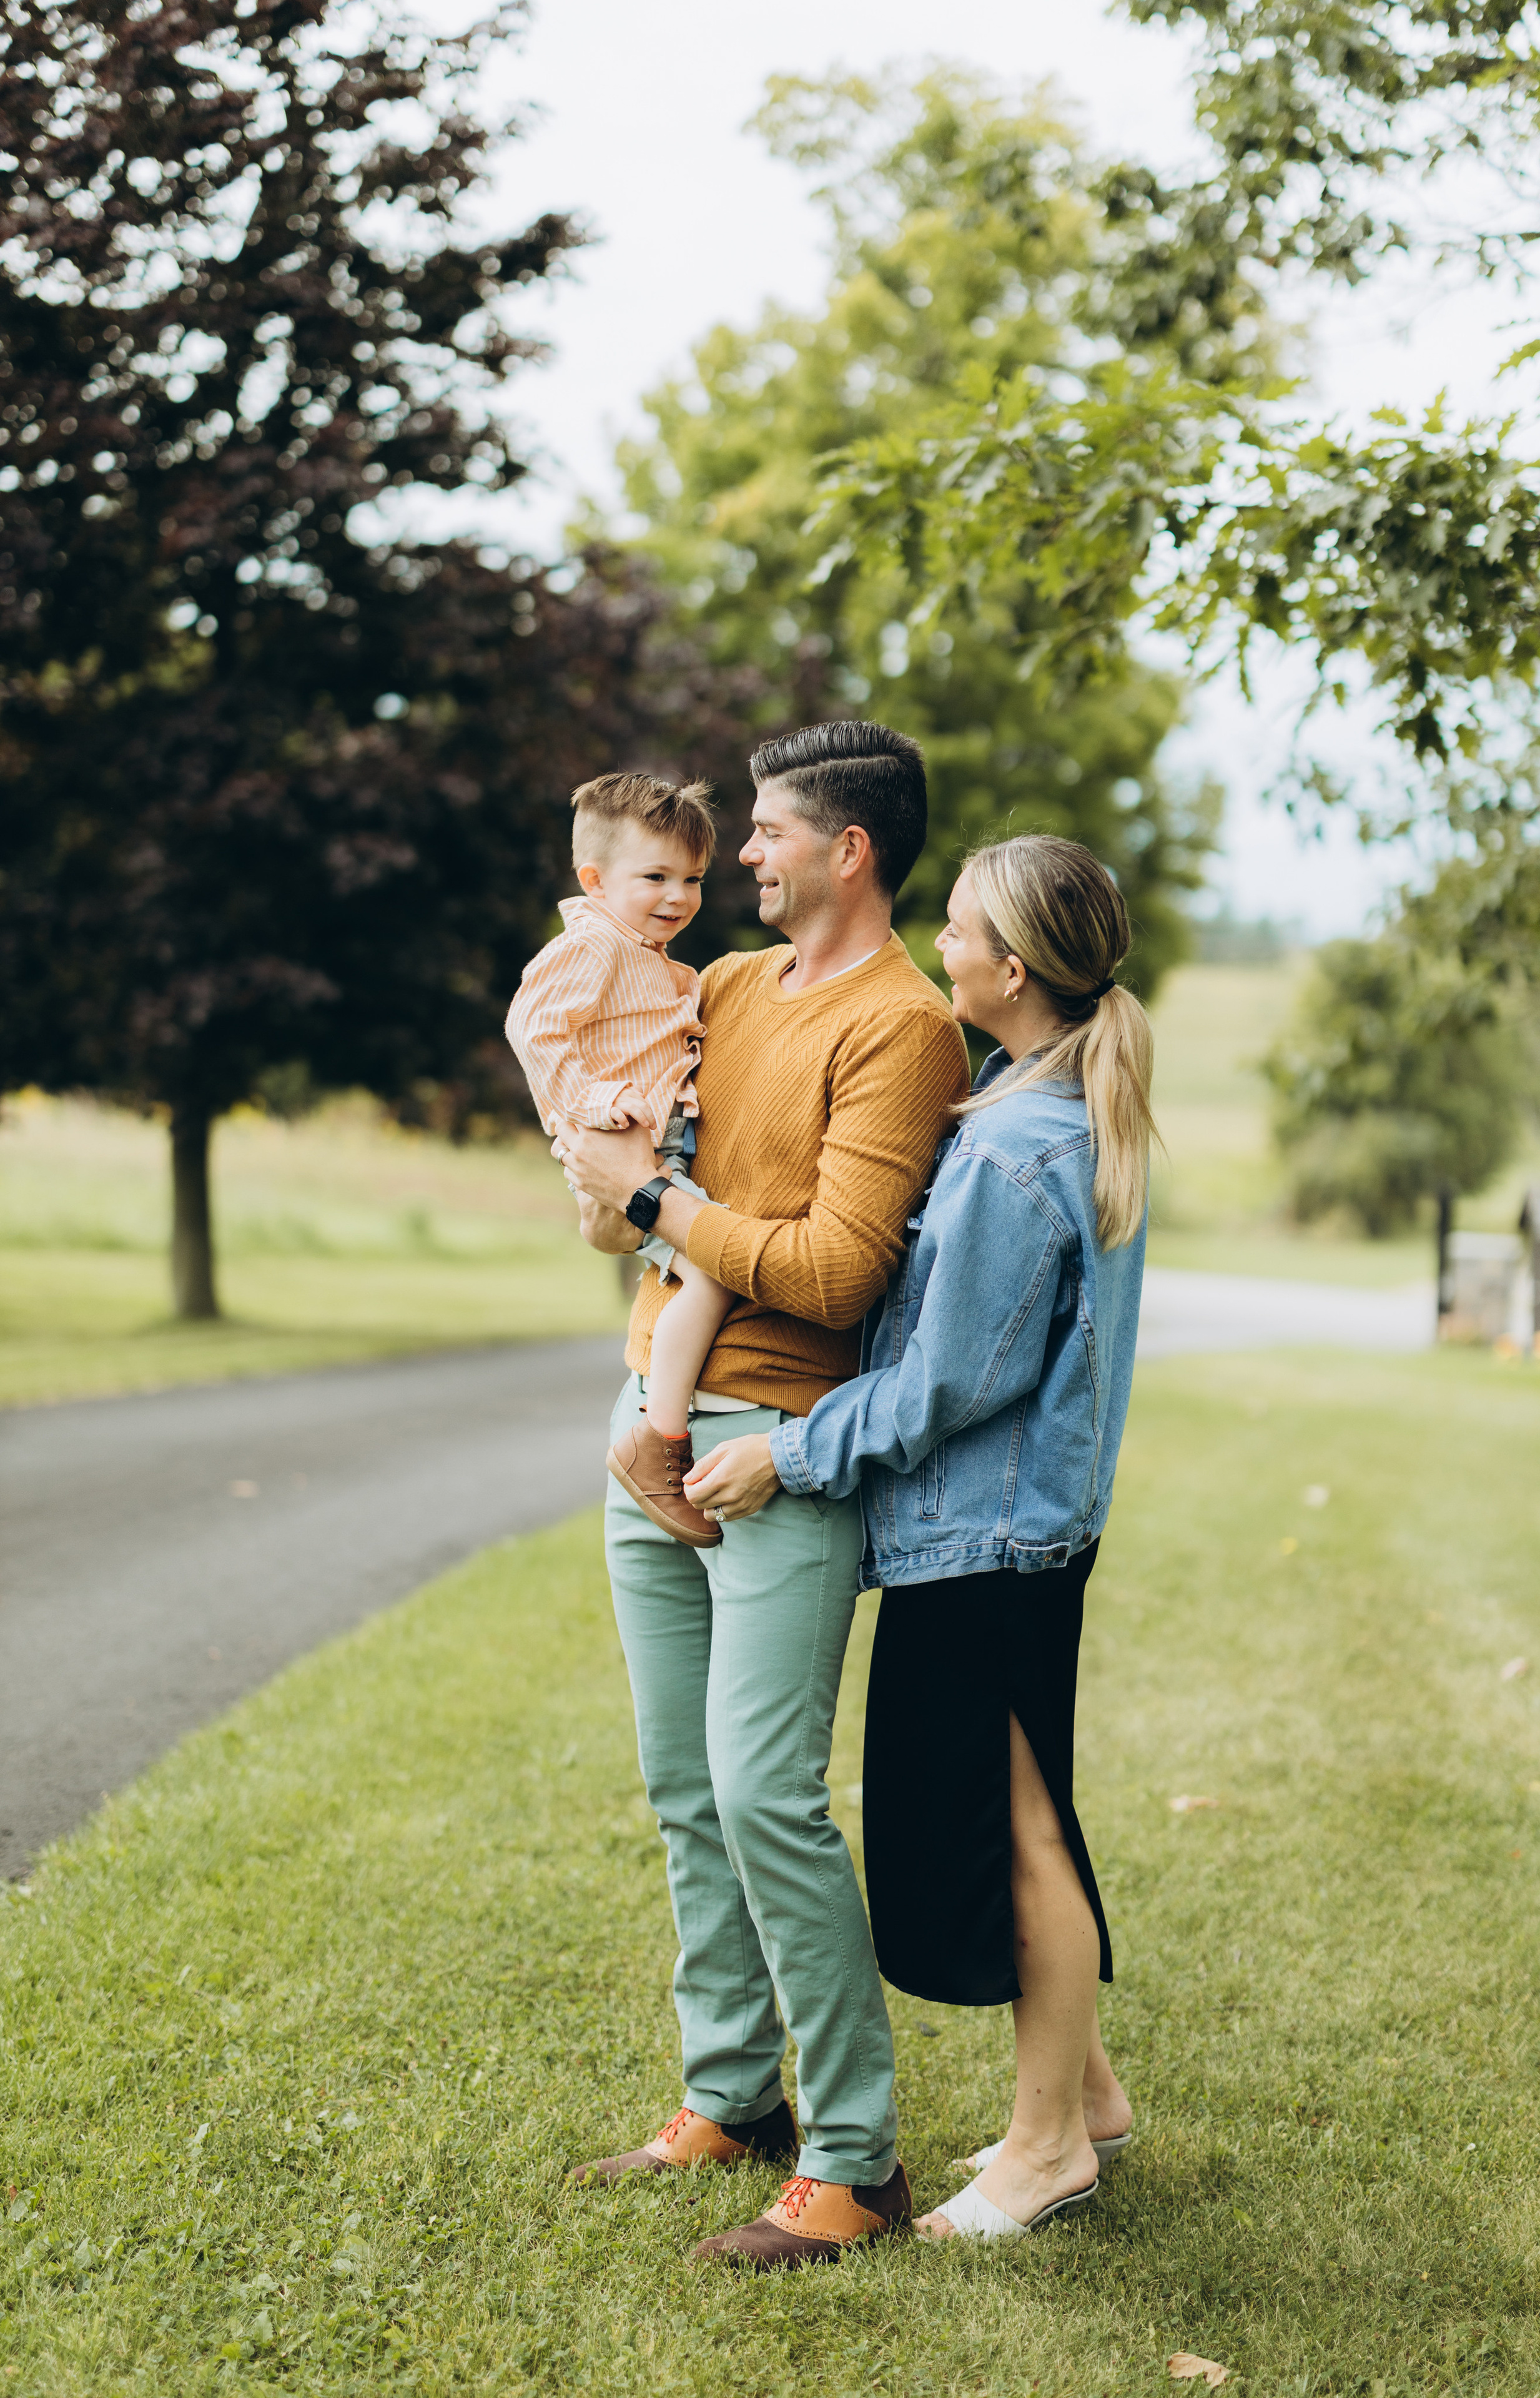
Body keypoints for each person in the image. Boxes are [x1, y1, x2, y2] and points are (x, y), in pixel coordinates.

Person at [684, 833, 1152, 2243]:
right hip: (1009, 1531)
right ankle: (1087, 2095)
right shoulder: (1040, 1107)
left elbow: (951, 1379)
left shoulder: (1013, 1148)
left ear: (1014, 968)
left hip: (986, 1536)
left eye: (956, 928)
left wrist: (789, 1449)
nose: (938, 944)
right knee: (1021, 1807)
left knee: (1019, 1829)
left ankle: (1046, 2147)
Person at [551, 721, 970, 2271]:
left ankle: (856, 2161)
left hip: (778, 1450)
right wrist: (622, 1202)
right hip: (646, 1426)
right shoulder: (720, 988)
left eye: (765, 830)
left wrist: (659, 1200)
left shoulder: (903, 1027)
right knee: (681, 1786)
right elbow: (621, 1204)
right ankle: (731, 2095)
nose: (737, 853)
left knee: (760, 1795)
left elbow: (836, 1271)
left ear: (845, 850)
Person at [505, 772, 734, 1546]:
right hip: (624, 1141)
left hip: (652, 1143)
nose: (678, 896)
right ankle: (657, 1438)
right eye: (655, 877)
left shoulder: (647, 954)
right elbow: (534, 1028)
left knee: (701, 1267)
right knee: (715, 1267)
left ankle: (661, 1423)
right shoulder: (594, 944)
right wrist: (593, 1103)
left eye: (692, 879)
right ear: (595, 881)